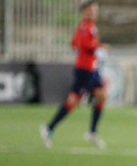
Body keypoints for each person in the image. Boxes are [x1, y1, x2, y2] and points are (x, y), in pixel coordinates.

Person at [40, 0, 108, 149]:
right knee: (73, 101)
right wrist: (99, 47)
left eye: (95, 10)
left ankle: (92, 132)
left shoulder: (86, 27)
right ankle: (49, 127)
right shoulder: (86, 27)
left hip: (92, 69)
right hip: (84, 70)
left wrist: (92, 49)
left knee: (102, 95)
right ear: (84, 12)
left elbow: (74, 44)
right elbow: (84, 45)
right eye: (90, 10)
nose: (93, 13)